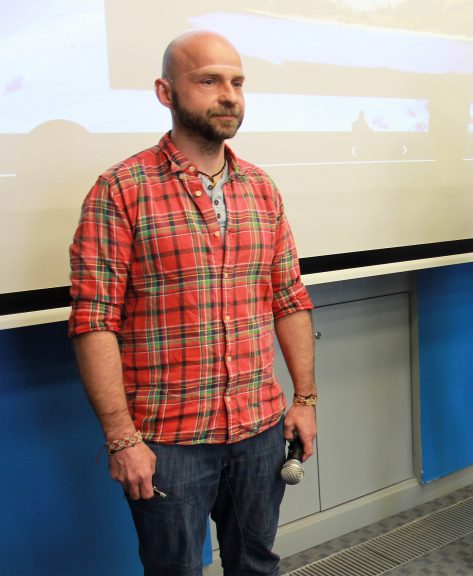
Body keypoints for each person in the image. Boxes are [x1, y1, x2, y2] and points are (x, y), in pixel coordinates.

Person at [69, 31, 317, 575]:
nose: (229, 95)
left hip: (259, 428)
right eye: (209, 81)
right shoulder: (121, 190)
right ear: (166, 92)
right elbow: (94, 323)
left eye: (237, 83)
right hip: (167, 441)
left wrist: (304, 399)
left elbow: (288, 297)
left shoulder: (261, 189)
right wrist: (121, 439)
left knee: (256, 564)